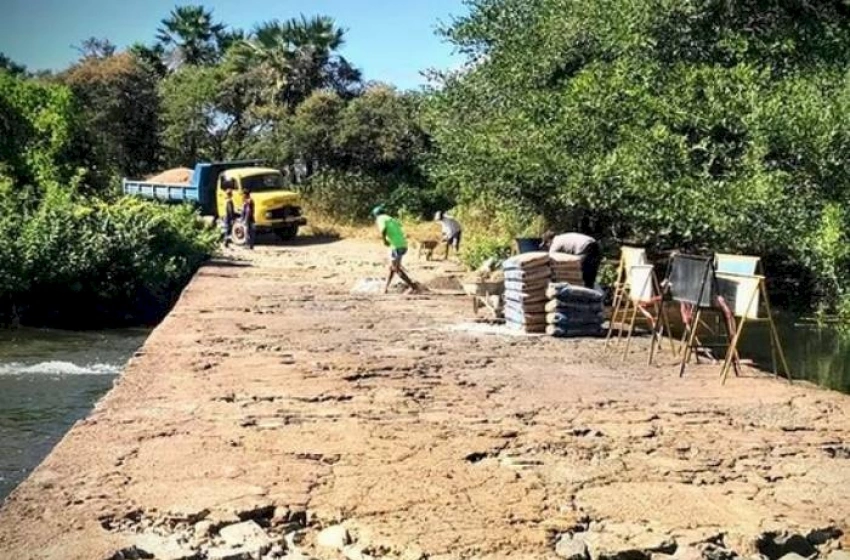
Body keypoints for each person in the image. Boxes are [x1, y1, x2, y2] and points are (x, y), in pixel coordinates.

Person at [373, 205, 418, 294]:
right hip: (403, 245)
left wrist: (384, 240)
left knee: (395, 268)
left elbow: (383, 229)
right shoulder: (391, 218)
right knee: (392, 268)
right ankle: (385, 288)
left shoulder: (380, 218)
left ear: (376, 215)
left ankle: (413, 287)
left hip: (395, 246)